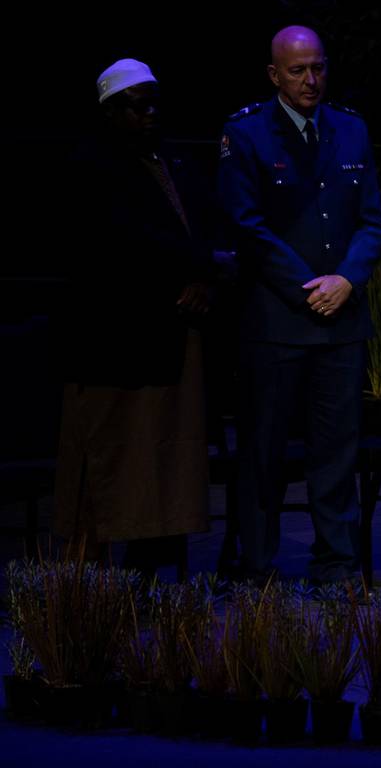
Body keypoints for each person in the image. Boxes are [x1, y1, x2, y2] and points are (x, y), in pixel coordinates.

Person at [219, 26, 381, 583]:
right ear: (274, 74)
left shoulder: (352, 129)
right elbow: (248, 227)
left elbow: (371, 221)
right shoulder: (245, 134)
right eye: (297, 70)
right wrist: (309, 286)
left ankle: (336, 565)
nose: (310, 79)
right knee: (263, 454)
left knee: (336, 453)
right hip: (275, 322)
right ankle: (257, 565)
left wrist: (346, 280)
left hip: (341, 321)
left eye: (317, 67)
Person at [54, 59, 217, 573]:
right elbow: (121, 244)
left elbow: (198, 225)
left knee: (161, 468)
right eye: (137, 105)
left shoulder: (167, 160)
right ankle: (87, 599)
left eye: (154, 103)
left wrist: (203, 277)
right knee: (104, 466)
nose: (150, 113)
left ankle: (150, 582)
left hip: (167, 340)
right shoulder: (92, 165)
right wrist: (196, 269)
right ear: (110, 111)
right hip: (115, 347)